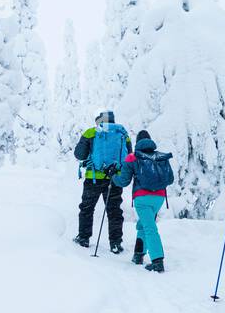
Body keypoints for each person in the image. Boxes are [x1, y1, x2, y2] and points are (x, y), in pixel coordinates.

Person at [112, 130, 171, 273]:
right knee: (144, 225)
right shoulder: (159, 156)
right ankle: (138, 255)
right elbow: (170, 179)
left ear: (137, 142)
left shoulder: (132, 157)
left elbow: (124, 181)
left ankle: (157, 261)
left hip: (142, 198)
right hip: (159, 198)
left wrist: (113, 176)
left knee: (149, 227)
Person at [72, 111, 131, 252]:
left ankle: (84, 238)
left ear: (100, 121)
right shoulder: (122, 133)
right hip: (114, 178)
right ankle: (115, 243)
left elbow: (79, 154)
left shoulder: (91, 132)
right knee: (114, 211)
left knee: (87, 208)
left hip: (94, 178)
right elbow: (129, 155)